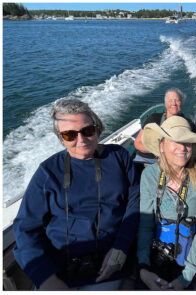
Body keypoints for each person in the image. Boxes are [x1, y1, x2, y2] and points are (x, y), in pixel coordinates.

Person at [13, 99, 140, 290]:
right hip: (60, 270)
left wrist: (121, 248)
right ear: (61, 138)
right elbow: (25, 228)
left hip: (114, 264)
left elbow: (136, 200)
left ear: (98, 128)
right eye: (70, 135)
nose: (81, 140)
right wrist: (46, 278)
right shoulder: (48, 172)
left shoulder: (119, 157)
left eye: (87, 131)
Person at [137, 116, 196, 290]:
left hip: (189, 257)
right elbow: (145, 224)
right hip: (157, 252)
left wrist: (186, 276)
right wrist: (143, 266)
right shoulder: (150, 175)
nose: (182, 148)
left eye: (187, 142)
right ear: (162, 146)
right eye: (175, 141)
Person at [133, 88, 196, 165]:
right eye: (170, 100)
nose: (174, 103)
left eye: (177, 100)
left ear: (181, 103)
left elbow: (191, 147)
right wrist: (156, 150)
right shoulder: (153, 118)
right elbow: (137, 143)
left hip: (172, 162)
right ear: (166, 104)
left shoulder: (188, 124)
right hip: (145, 159)